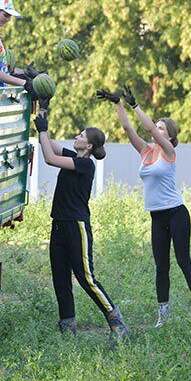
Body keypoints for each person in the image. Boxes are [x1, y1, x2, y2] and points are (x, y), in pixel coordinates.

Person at [96, 85, 191, 327]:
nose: (155, 129)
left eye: (160, 127)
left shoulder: (168, 151)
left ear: (169, 135)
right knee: (161, 266)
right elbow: (128, 128)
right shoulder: (146, 152)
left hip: (176, 213)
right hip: (156, 216)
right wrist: (118, 104)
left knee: (183, 260)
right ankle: (163, 315)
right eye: (156, 126)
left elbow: (146, 128)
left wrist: (136, 105)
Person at [34, 111, 129, 342]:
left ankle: (117, 323)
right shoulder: (74, 156)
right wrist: (43, 111)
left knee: (86, 277)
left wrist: (44, 129)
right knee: (60, 278)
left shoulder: (85, 165)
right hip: (58, 225)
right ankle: (68, 330)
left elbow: (49, 158)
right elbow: (47, 144)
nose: (76, 136)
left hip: (77, 226)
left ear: (88, 145)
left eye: (80, 135)